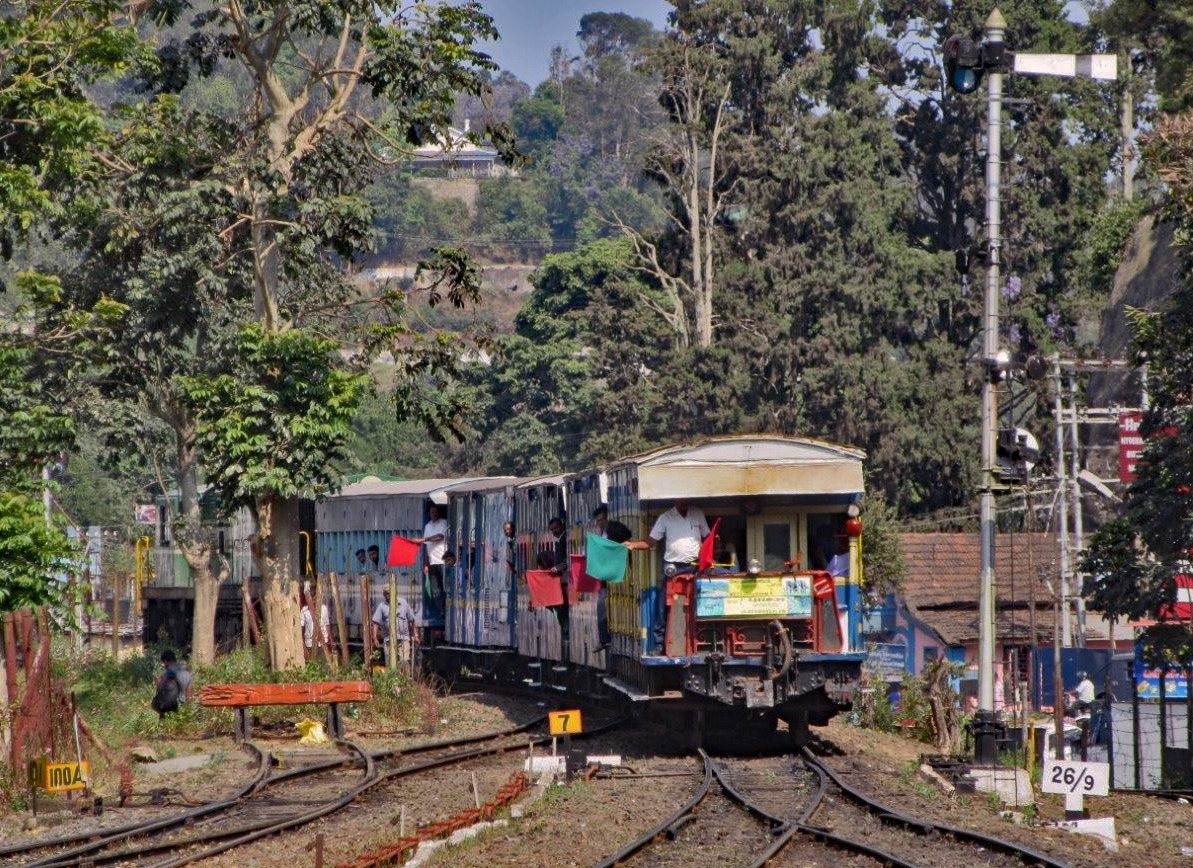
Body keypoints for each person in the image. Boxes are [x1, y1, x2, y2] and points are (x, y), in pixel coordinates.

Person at [625, 499, 710, 650]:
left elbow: (707, 537)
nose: (683, 502)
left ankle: (703, 641)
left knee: (702, 603)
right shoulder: (665, 518)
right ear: (675, 500)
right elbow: (650, 542)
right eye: (680, 499)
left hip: (695, 567)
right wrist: (633, 545)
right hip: (674, 569)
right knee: (664, 606)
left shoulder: (697, 513)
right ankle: (659, 646)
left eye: (685, 498)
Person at [592, 504, 631, 651]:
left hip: (616, 575)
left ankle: (604, 640)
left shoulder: (614, 529)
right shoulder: (602, 534)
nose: (601, 523)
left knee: (603, 605)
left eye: (602, 520)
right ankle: (604, 639)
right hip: (606, 577)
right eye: (599, 521)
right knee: (602, 606)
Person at [414, 504, 449, 615]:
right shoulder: (428, 526)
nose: (433, 514)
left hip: (443, 561)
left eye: (435, 512)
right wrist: (425, 563)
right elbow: (425, 546)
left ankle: (448, 609)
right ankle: (442, 610)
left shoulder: (444, 522)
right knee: (435, 589)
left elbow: (440, 536)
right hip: (432, 561)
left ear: (438, 513)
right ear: (429, 514)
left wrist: (424, 538)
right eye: (431, 512)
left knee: (445, 587)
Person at [371, 587, 417, 670]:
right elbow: (376, 622)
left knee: (405, 661)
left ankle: (405, 680)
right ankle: (393, 679)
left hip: (403, 638)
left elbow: (411, 619)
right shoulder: (382, 606)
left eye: (390, 593)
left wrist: (415, 635)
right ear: (384, 595)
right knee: (389, 663)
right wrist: (375, 637)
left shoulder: (403, 603)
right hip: (389, 639)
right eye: (386, 593)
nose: (388, 595)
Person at [152, 650, 193, 717]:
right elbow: (189, 691)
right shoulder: (187, 672)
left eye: (163, 663)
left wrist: (157, 683)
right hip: (184, 708)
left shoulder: (168, 672)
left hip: (172, 708)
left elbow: (160, 688)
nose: (164, 665)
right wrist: (188, 708)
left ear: (165, 661)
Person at [301, 591, 331, 657]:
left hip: (323, 642)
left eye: (316, 599)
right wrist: (303, 646)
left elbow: (327, 624)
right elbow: (301, 629)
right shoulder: (304, 610)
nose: (314, 601)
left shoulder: (324, 608)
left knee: (324, 664)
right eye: (313, 599)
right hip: (310, 643)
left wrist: (330, 640)